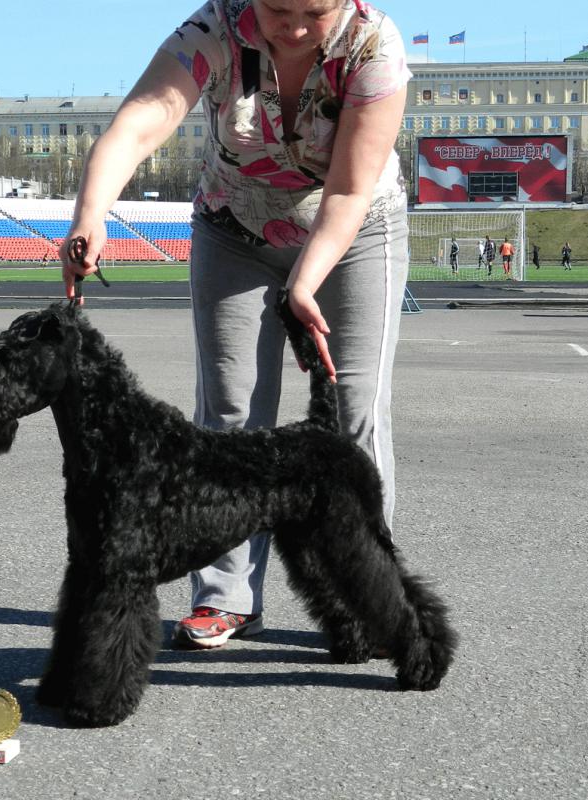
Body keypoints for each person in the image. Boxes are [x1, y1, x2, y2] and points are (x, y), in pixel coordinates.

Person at [61, 0, 412, 650]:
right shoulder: (214, 29)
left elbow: (346, 191)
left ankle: (367, 599)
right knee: (229, 412)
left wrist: (304, 281)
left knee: (354, 411)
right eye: (277, 8)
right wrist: (90, 213)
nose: (294, 28)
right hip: (233, 227)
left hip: (355, 231)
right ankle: (225, 598)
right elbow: (139, 125)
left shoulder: (374, 48)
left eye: (314, 12)